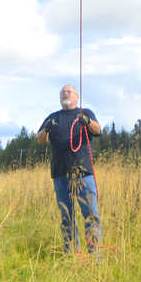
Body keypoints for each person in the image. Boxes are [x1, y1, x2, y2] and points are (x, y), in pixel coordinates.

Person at [37, 85, 102, 253]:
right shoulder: (53, 117)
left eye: (69, 92)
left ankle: (95, 255)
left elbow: (97, 130)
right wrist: (46, 129)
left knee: (91, 214)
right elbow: (40, 139)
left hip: (83, 173)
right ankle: (72, 253)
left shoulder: (85, 112)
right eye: (62, 92)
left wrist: (86, 121)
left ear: (76, 96)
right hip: (60, 173)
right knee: (67, 216)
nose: (65, 94)